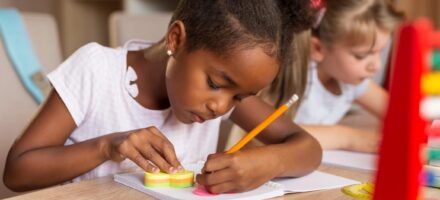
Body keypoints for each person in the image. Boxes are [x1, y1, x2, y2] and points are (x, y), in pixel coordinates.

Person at [3, 0, 322, 194]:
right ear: (176, 39)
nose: (221, 107)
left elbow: (308, 148)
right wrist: (108, 145)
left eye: (239, 98)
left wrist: (264, 163)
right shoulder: (96, 70)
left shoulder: (225, 90)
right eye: (213, 83)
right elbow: (18, 171)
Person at [265, 0, 405, 153]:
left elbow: (399, 111)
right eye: (361, 56)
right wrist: (349, 138)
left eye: (380, 51)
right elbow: (269, 132)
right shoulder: (296, 77)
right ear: (318, 49)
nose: (376, 65)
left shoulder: (351, 81)